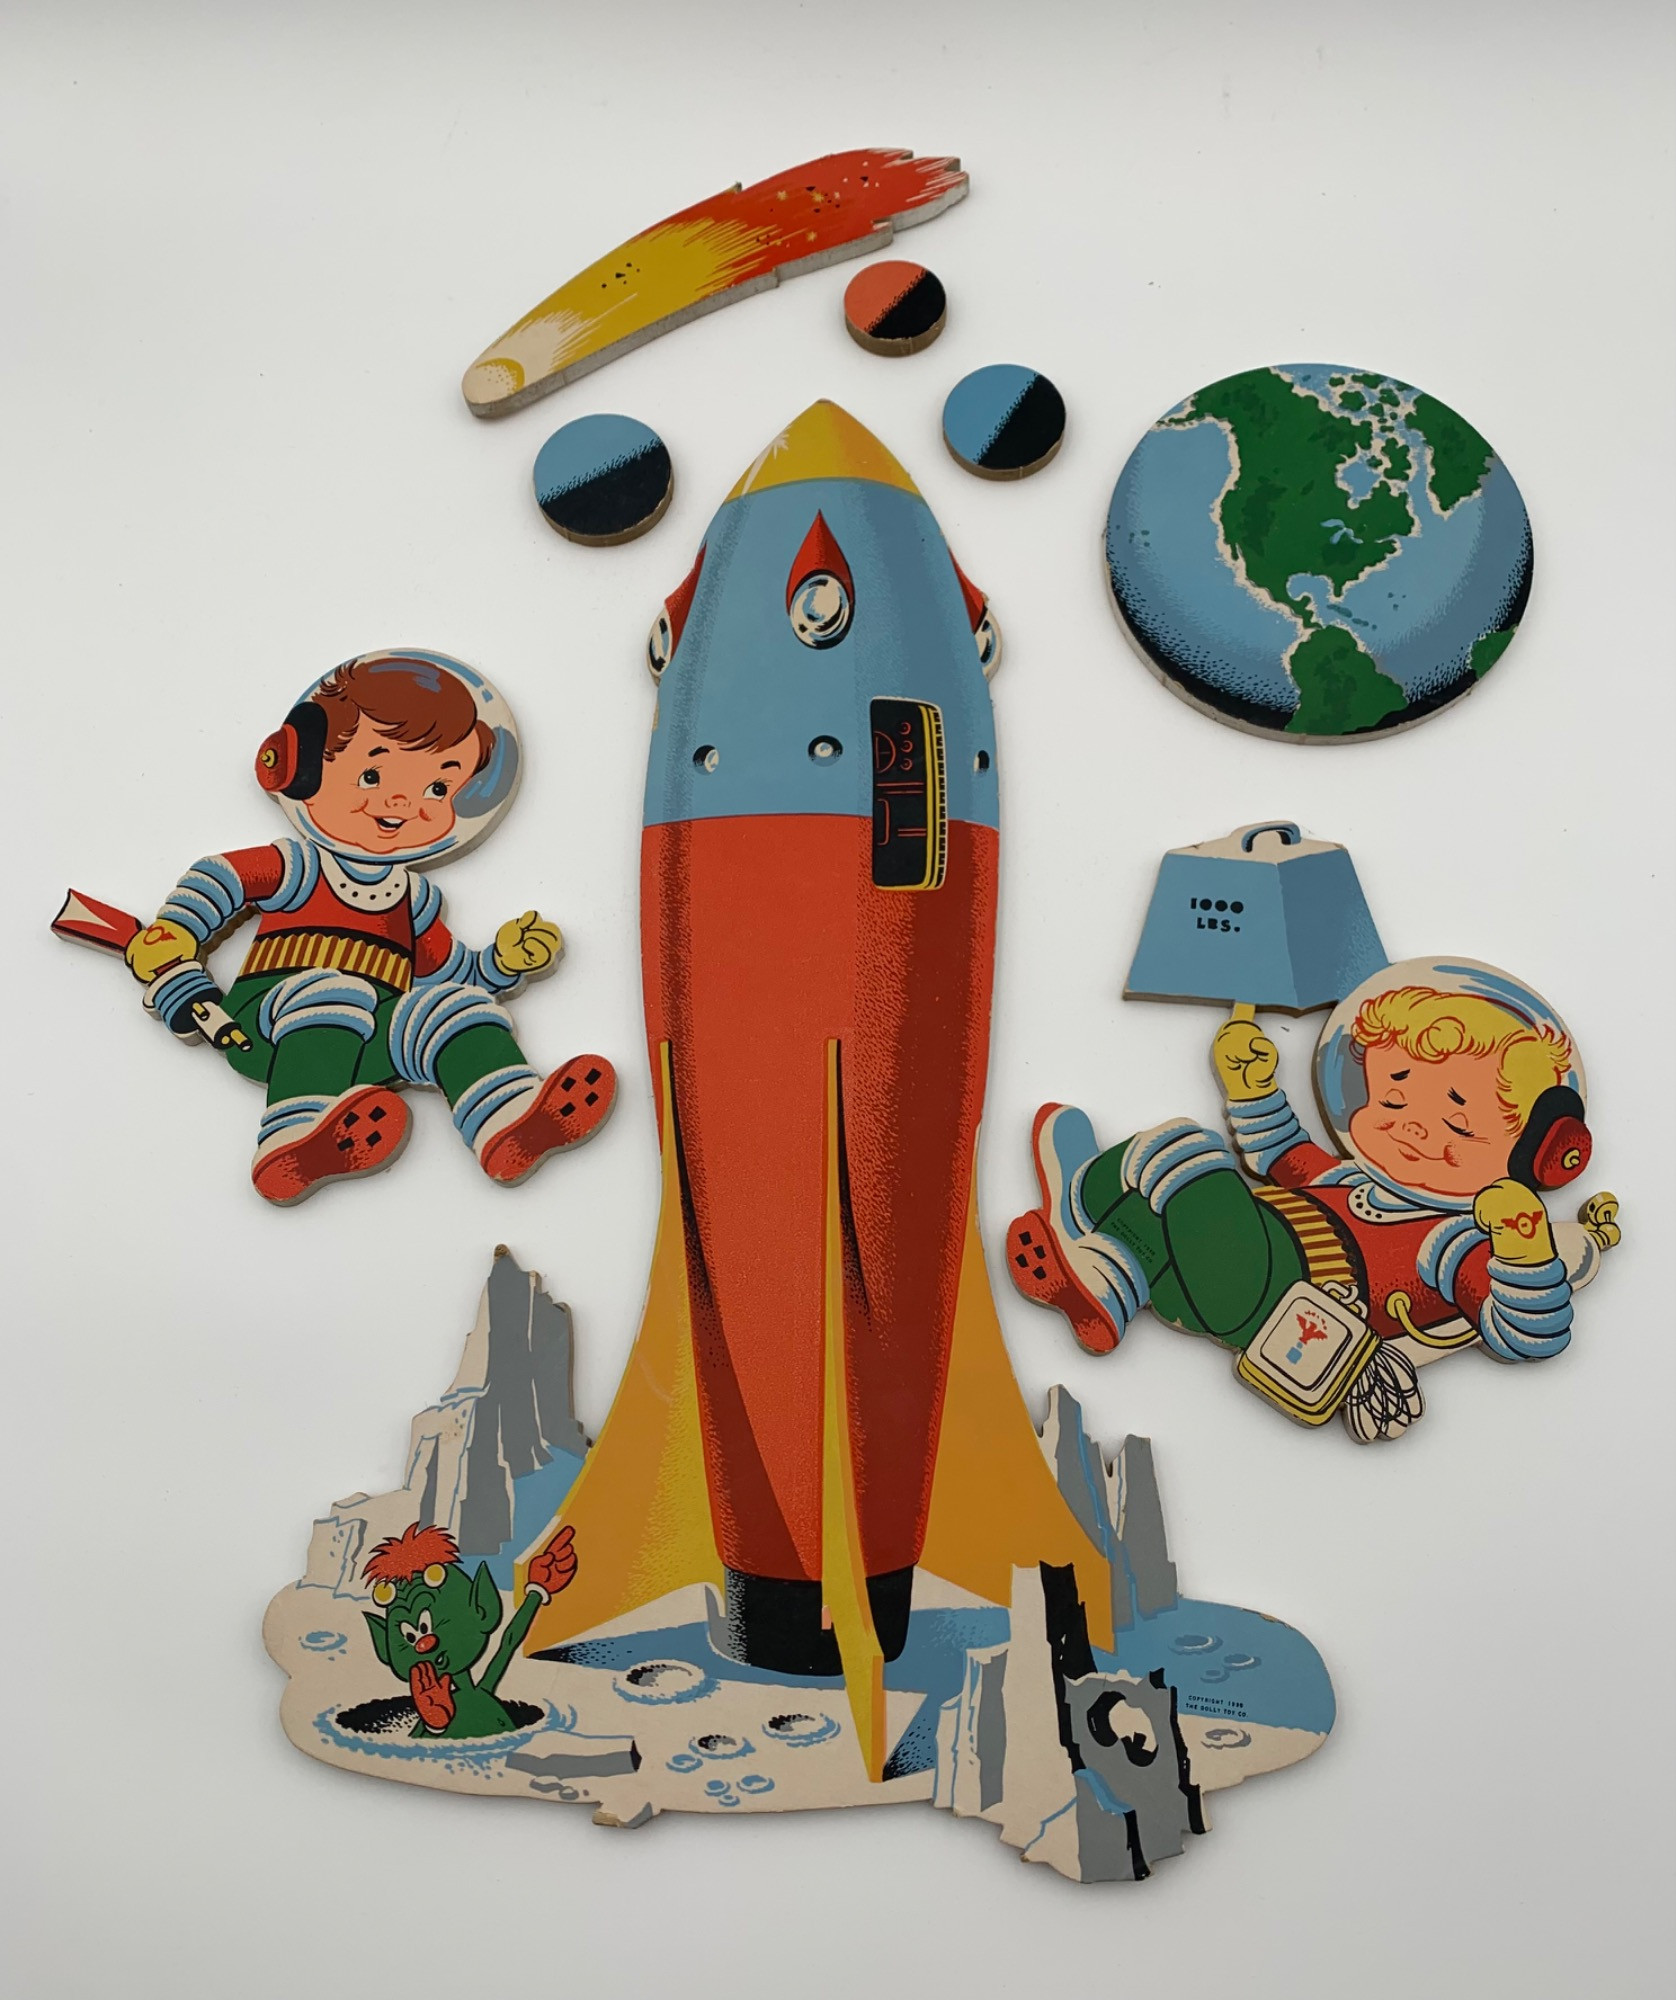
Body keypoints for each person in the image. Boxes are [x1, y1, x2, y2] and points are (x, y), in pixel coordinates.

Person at [1006, 961, 1619, 1440]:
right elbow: (1281, 1154)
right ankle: (1107, 1287)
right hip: (1195, 1276)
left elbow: (1528, 1334)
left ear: (1533, 1152)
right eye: (1393, 1100)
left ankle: (1079, 1202)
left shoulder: (1452, 1240)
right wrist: (1253, 1089)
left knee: (1188, 1152)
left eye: (1459, 1125)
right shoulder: (1346, 1179)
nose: (1412, 1127)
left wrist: (1524, 1250)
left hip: (1279, 1300)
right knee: (1167, 1198)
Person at [122, 650, 615, 1203]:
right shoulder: (299, 866)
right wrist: (177, 930)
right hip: (268, 1030)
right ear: (301, 770)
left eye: (438, 790)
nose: (403, 802)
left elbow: (452, 973)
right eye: (372, 774)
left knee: (453, 1005)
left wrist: (501, 964)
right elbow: (220, 877)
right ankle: (291, 1136)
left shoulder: (412, 898)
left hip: (374, 1038)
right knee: (335, 991)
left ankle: (507, 1117)